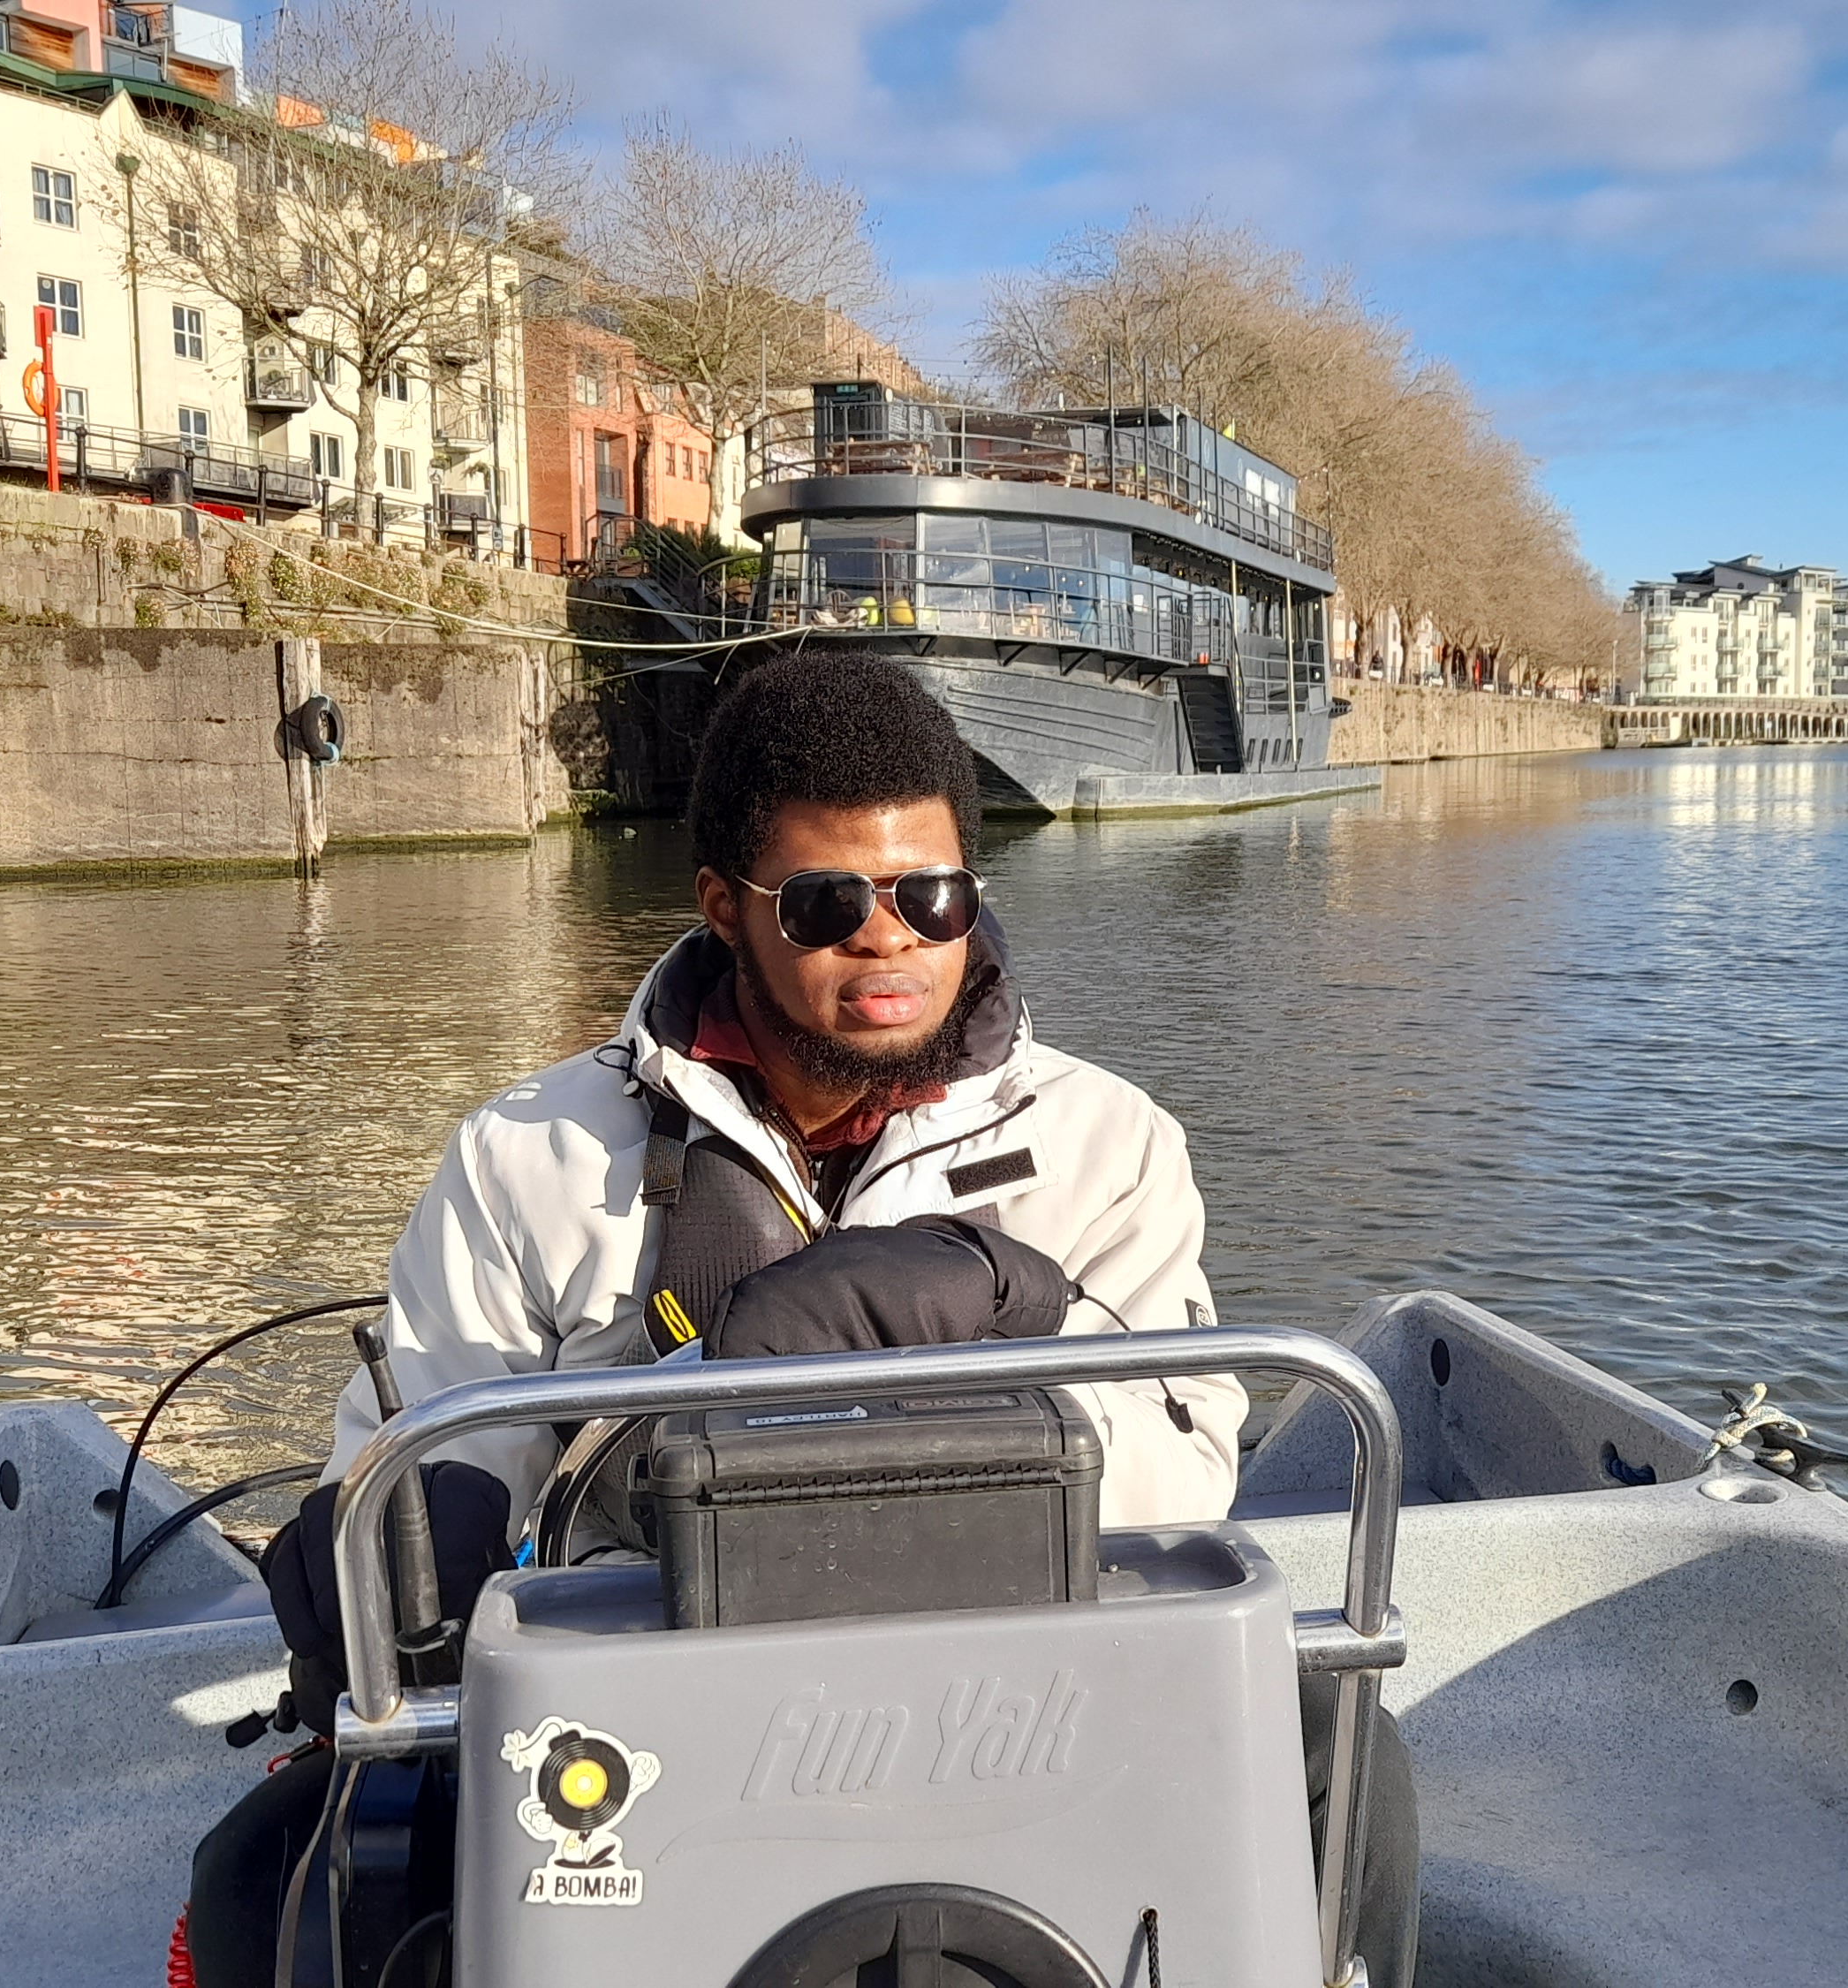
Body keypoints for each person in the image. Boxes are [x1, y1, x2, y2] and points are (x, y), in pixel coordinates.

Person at [186, 652, 1261, 1986]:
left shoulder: (1113, 1142)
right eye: (827, 902)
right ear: (723, 908)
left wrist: (989, 1338)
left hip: (1017, 1709)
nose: (891, 938)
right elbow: (421, 1455)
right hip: (645, 1745)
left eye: (933, 896)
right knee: (267, 1889)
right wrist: (394, 1533)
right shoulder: (526, 1155)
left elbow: (1189, 1475)